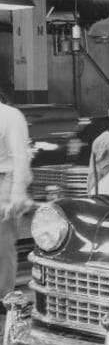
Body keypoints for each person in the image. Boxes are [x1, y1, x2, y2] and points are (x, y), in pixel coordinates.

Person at [0, 98, 31, 310]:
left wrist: (17, 193)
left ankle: (4, 298)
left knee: (2, 244)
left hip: (4, 181)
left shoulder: (10, 115)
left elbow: (20, 156)